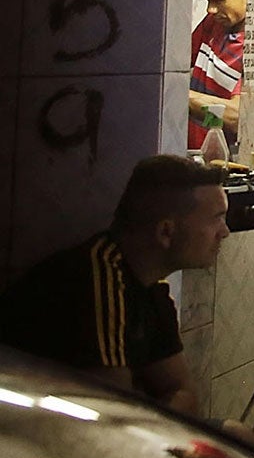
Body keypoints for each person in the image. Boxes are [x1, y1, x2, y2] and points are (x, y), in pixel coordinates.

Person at [0, 155, 230, 414]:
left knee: (236, 433)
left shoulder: (151, 284)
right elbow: (114, 412)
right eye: (216, 219)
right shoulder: (97, 279)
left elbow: (183, 390)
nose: (224, 232)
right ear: (166, 232)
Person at [188, 0, 248, 153]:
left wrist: (179, 96)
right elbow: (175, 64)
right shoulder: (213, 24)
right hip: (191, 154)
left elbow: (236, 117)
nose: (210, 10)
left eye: (218, 1)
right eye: (207, 1)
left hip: (224, 161)